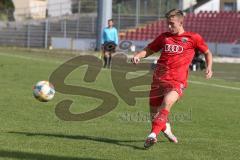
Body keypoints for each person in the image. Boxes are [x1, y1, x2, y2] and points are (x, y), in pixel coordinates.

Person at [131, 9, 213, 149]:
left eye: (171, 24)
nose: (169, 27)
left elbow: (207, 52)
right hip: (159, 79)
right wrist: (138, 55)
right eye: (167, 24)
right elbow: (150, 49)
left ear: (181, 22)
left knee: (167, 102)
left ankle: (152, 135)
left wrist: (209, 67)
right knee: (154, 114)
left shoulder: (193, 38)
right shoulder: (164, 37)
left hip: (177, 81)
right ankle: (166, 129)